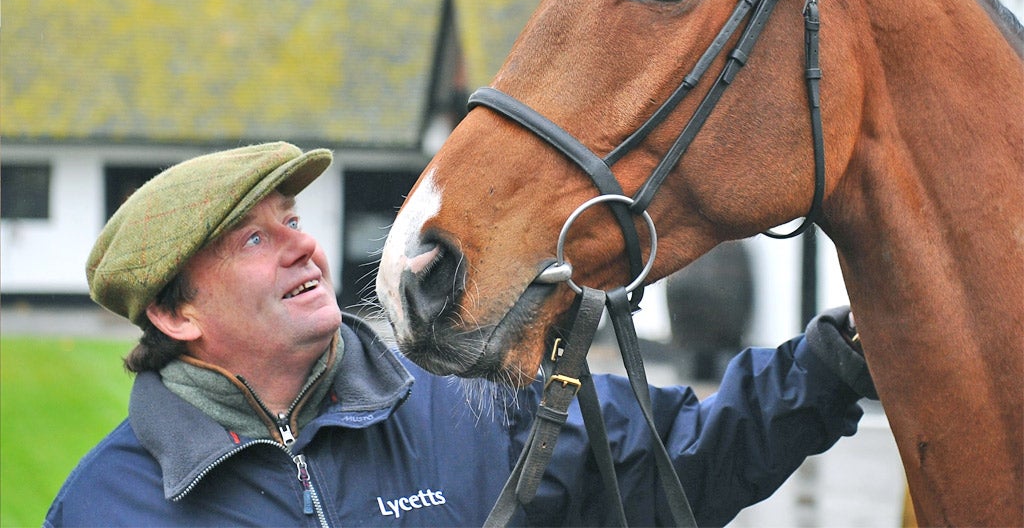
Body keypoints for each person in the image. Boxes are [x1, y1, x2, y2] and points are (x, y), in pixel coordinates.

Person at [45, 141, 876, 527]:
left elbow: (685, 456)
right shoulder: (105, 509)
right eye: (254, 239)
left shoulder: (474, 407)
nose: (305, 244)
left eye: (293, 219)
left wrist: (836, 359)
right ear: (175, 313)